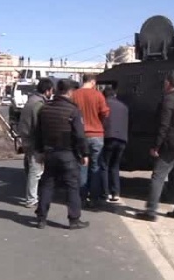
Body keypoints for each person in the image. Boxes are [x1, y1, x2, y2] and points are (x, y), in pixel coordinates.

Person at [136, 71, 174, 222]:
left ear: (168, 83)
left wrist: (156, 146)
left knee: (158, 176)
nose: (163, 85)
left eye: (164, 82)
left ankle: (150, 212)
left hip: (170, 145)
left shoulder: (168, 100)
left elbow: (163, 126)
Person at [34, 79, 90, 230]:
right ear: (70, 92)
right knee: (72, 186)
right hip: (67, 154)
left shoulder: (45, 109)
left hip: (49, 153)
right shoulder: (73, 111)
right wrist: (85, 153)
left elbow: (38, 133)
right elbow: (79, 135)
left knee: (47, 185)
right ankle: (74, 219)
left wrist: (39, 151)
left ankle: (41, 218)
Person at [72, 74, 110, 208]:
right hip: (97, 134)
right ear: (93, 82)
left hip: (80, 135)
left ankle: (81, 197)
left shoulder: (74, 95)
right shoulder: (98, 95)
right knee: (95, 167)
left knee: (82, 166)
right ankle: (94, 199)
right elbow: (105, 113)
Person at [17, 78, 54, 208]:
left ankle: (32, 196)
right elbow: (39, 125)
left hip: (26, 139)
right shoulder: (38, 104)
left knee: (32, 168)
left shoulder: (31, 100)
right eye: (51, 90)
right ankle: (31, 199)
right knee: (36, 171)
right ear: (47, 91)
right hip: (33, 140)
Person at [98, 86, 129, 203]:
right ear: (115, 95)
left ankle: (104, 193)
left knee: (104, 165)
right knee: (115, 166)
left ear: (103, 95)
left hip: (109, 137)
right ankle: (115, 193)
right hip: (122, 139)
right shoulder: (124, 107)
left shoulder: (104, 105)